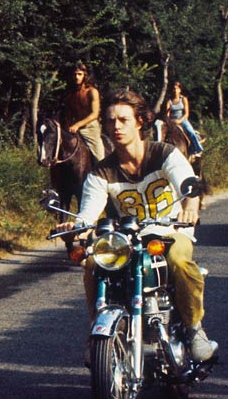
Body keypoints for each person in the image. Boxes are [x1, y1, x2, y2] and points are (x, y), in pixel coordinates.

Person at [57, 89, 215, 363]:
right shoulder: (101, 172)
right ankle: (98, 332)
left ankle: (194, 330)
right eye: (110, 121)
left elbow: (187, 182)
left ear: (140, 121)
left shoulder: (164, 154)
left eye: (123, 119)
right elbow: (89, 211)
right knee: (94, 263)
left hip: (170, 232)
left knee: (179, 261)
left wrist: (190, 205)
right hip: (127, 240)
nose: (116, 126)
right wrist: (79, 226)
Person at [60, 61, 106, 161]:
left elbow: (94, 114)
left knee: (100, 157)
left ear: (85, 75)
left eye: (79, 74)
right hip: (73, 127)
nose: (76, 77)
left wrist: (78, 125)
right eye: (74, 74)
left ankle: (104, 173)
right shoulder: (70, 94)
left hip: (90, 127)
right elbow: (68, 114)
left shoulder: (92, 92)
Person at [164, 81, 205, 157]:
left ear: (180, 90)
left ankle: (197, 149)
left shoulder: (183, 99)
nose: (175, 90)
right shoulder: (169, 101)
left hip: (182, 119)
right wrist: (169, 121)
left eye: (176, 89)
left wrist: (179, 120)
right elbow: (167, 114)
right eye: (173, 89)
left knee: (191, 132)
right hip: (172, 121)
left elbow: (186, 113)